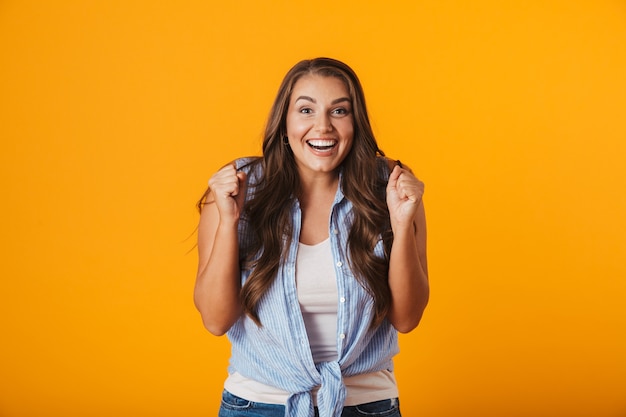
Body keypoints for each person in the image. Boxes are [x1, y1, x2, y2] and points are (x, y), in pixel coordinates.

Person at [194, 57, 429, 417]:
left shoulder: (391, 187)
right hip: (258, 405)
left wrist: (402, 224)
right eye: (306, 109)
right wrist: (229, 220)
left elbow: (407, 318)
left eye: (339, 111)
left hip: (366, 405)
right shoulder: (239, 187)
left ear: (356, 122)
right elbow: (215, 320)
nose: (323, 126)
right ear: (285, 122)